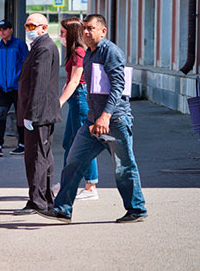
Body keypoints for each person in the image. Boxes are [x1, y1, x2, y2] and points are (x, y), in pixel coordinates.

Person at [37, 14, 148, 224]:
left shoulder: (111, 52)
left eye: (91, 28)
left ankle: (136, 209)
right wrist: (95, 117)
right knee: (74, 161)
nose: (86, 32)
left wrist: (105, 116)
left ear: (102, 31)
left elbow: (118, 87)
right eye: (84, 28)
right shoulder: (89, 53)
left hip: (114, 121)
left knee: (124, 167)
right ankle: (62, 209)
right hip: (92, 121)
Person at [13, 13, 61, 215]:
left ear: (44, 27)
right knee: (43, 156)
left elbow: (39, 84)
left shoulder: (43, 48)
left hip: (38, 113)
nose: (29, 29)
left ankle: (37, 201)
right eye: (27, 25)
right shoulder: (41, 46)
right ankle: (46, 199)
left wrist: (30, 115)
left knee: (36, 157)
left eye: (33, 26)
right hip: (41, 112)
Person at [57, 18, 99, 200]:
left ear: (71, 33)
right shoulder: (74, 51)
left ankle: (91, 185)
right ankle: (67, 182)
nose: (60, 36)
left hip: (80, 99)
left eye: (63, 32)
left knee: (85, 143)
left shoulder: (79, 52)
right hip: (76, 99)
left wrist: (58, 102)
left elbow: (75, 80)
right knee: (69, 143)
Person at [0, 19, 29, 157]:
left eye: (4, 29)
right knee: (0, 116)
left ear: (11, 29)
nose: (2, 32)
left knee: (20, 116)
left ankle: (23, 144)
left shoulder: (19, 45)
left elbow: (25, 64)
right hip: (3, 88)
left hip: (17, 88)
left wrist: (18, 78)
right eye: (0, 30)